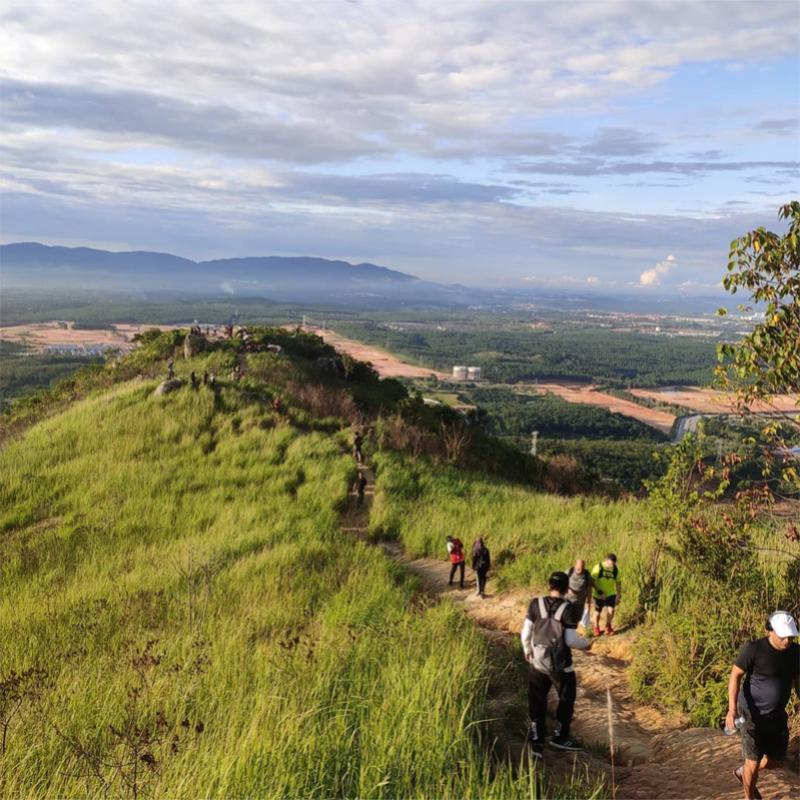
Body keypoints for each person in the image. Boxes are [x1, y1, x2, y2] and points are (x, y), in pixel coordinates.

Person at [726, 611, 799, 800]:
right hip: (750, 713)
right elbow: (735, 675)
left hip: (776, 715)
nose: (787, 641)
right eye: (783, 636)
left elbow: (798, 681)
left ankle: (743, 772)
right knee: (752, 760)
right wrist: (732, 710)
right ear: (770, 631)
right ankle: (749, 796)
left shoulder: (796, 653)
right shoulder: (753, 649)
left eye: (790, 636)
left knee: (776, 761)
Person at [521, 571, 592, 756]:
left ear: (549, 585)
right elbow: (570, 640)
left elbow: (526, 632)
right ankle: (560, 737)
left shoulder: (535, 604)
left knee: (537, 699)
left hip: (537, 662)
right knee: (566, 699)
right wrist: (585, 642)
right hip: (561, 666)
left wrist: (527, 650)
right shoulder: (568, 609)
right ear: (567, 588)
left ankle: (536, 740)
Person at [590, 553, 621, 636]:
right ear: (606, 561)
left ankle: (608, 626)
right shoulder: (598, 567)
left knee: (611, 610)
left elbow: (618, 582)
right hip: (598, 594)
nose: (612, 566)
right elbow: (592, 581)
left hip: (610, 593)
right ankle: (596, 627)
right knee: (597, 612)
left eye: (613, 564)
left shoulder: (615, 570)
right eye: (610, 564)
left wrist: (618, 594)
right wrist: (600, 592)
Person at [566, 559, 594, 627]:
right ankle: (567, 634)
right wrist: (568, 589)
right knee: (567, 618)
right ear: (575, 565)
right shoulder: (569, 571)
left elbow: (589, 589)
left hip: (580, 602)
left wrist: (589, 602)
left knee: (578, 620)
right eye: (578, 567)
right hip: (567, 600)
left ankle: (577, 635)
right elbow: (562, 582)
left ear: (584, 567)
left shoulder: (587, 575)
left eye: (582, 567)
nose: (580, 569)